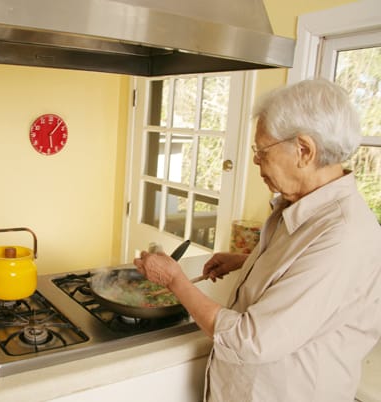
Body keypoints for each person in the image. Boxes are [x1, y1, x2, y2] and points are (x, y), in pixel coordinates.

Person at [134, 79, 381, 402]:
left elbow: (251, 339)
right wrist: (248, 261)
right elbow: (299, 272)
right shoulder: (299, 207)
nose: (255, 160)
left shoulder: (342, 237)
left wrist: (175, 280)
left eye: (261, 150)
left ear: (304, 150)